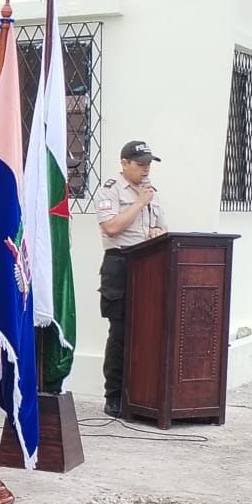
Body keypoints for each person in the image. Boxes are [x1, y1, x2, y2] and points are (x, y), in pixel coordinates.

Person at [94, 140, 168, 417]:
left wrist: (157, 233)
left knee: (148, 330)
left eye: (149, 164)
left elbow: (162, 228)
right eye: (140, 164)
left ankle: (141, 393)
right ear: (124, 163)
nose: (146, 169)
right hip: (121, 264)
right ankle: (114, 395)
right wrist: (138, 203)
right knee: (121, 332)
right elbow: (111, 228)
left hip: (149, 265)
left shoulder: (151, 193)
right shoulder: (111, 190)